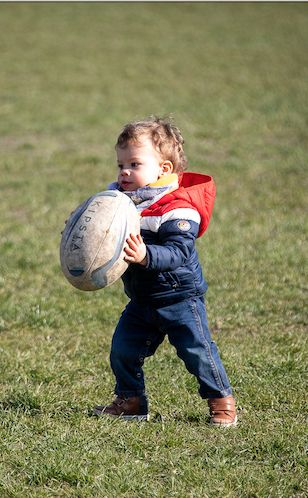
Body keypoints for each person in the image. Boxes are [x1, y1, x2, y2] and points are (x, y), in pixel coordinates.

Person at [92, 115, 237, 426]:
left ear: (163, 169)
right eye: (120, 165)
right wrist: (81, 236)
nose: (124, 172)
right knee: (122, 350)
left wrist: (146, 255)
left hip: (179, 299)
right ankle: (131, 402)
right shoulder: (121, 202)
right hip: (142, 300)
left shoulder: (178, 208)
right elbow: (101, 233)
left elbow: (178, 252)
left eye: (134, 164)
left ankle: (222, 402)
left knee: (197, 353)